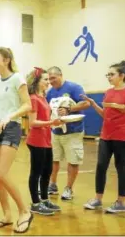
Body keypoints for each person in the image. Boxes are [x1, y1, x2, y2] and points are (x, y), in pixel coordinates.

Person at [82, 60, 125, 213]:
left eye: (112, 74)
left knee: (121, 167)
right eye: (107, 74)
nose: (109, 77)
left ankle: (121, 202)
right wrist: (94, 104)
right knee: (101, 165)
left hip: (122, 135)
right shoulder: (108, 92)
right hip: (105, 135)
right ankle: (98, 199)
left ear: (122, 75)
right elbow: (105, 114)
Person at [0, 47, 33, 233]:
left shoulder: (17, 78)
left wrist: (9, 117)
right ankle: (7, 215)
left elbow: (27, 105)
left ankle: (24, 211)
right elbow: (0, 109)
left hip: (11, 127)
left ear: (6, 60)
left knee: (3, 173)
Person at [46, 66, 90, 200]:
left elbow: (86, 103)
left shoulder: (74, 88)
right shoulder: (50, 93)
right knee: (54, 159)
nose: (51, 81)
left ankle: (69, 188)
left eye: (53, 77)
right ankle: (52, 184)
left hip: (73, 131)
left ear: (61, 75)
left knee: (73, 160)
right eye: (49, 79)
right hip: (56, 131)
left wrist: (69, 108)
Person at [26, 67, 62, 216]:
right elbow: (32, 123)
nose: (49, 82)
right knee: (36, 172)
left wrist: (54, 121)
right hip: (36, 140)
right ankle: (35, 203)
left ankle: (45, 199)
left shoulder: (43, 97)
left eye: (49, 79)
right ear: (37, 81)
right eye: (45, 79)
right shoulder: (33, 98)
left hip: (46, 139)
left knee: (47, 171)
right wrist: (51, 123)